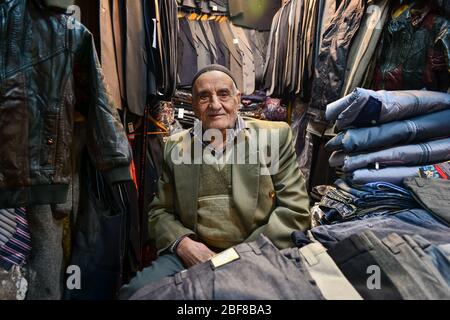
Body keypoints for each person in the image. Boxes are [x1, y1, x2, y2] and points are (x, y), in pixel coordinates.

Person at [119, 65, 311, 299]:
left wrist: (237, 256)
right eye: (204, 96)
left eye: (223, 94)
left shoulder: (273, 138)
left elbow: (295, 210)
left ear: (237, 99)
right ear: (193, 105)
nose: (215, 104)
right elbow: (159, 211)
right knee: (136, 293)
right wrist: (184, 245)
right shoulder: (176, 146)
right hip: (194, 255)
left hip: (258, 251)